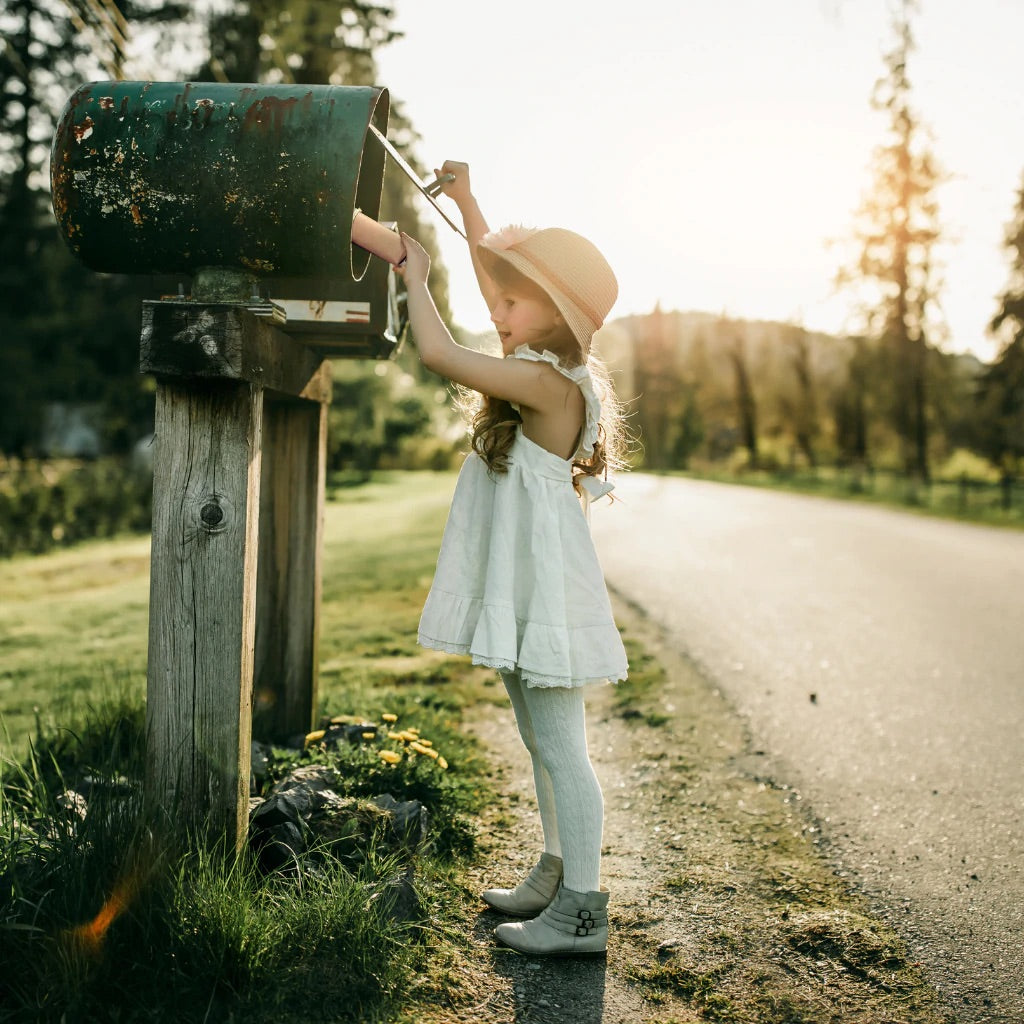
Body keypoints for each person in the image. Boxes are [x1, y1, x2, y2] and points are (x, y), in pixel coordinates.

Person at [395, 160, 628, 958]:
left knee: (565, 749)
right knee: (538, 741)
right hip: (523, 584)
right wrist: (465, 204)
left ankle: (584, 914)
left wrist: (414, 273)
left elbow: (437, 353)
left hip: (544, 593)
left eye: (514, 303)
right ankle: (557, 871)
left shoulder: (546, 383)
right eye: (496, 298)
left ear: (557, 317)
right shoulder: (547, 366)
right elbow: (504, 282)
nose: (496, 310)